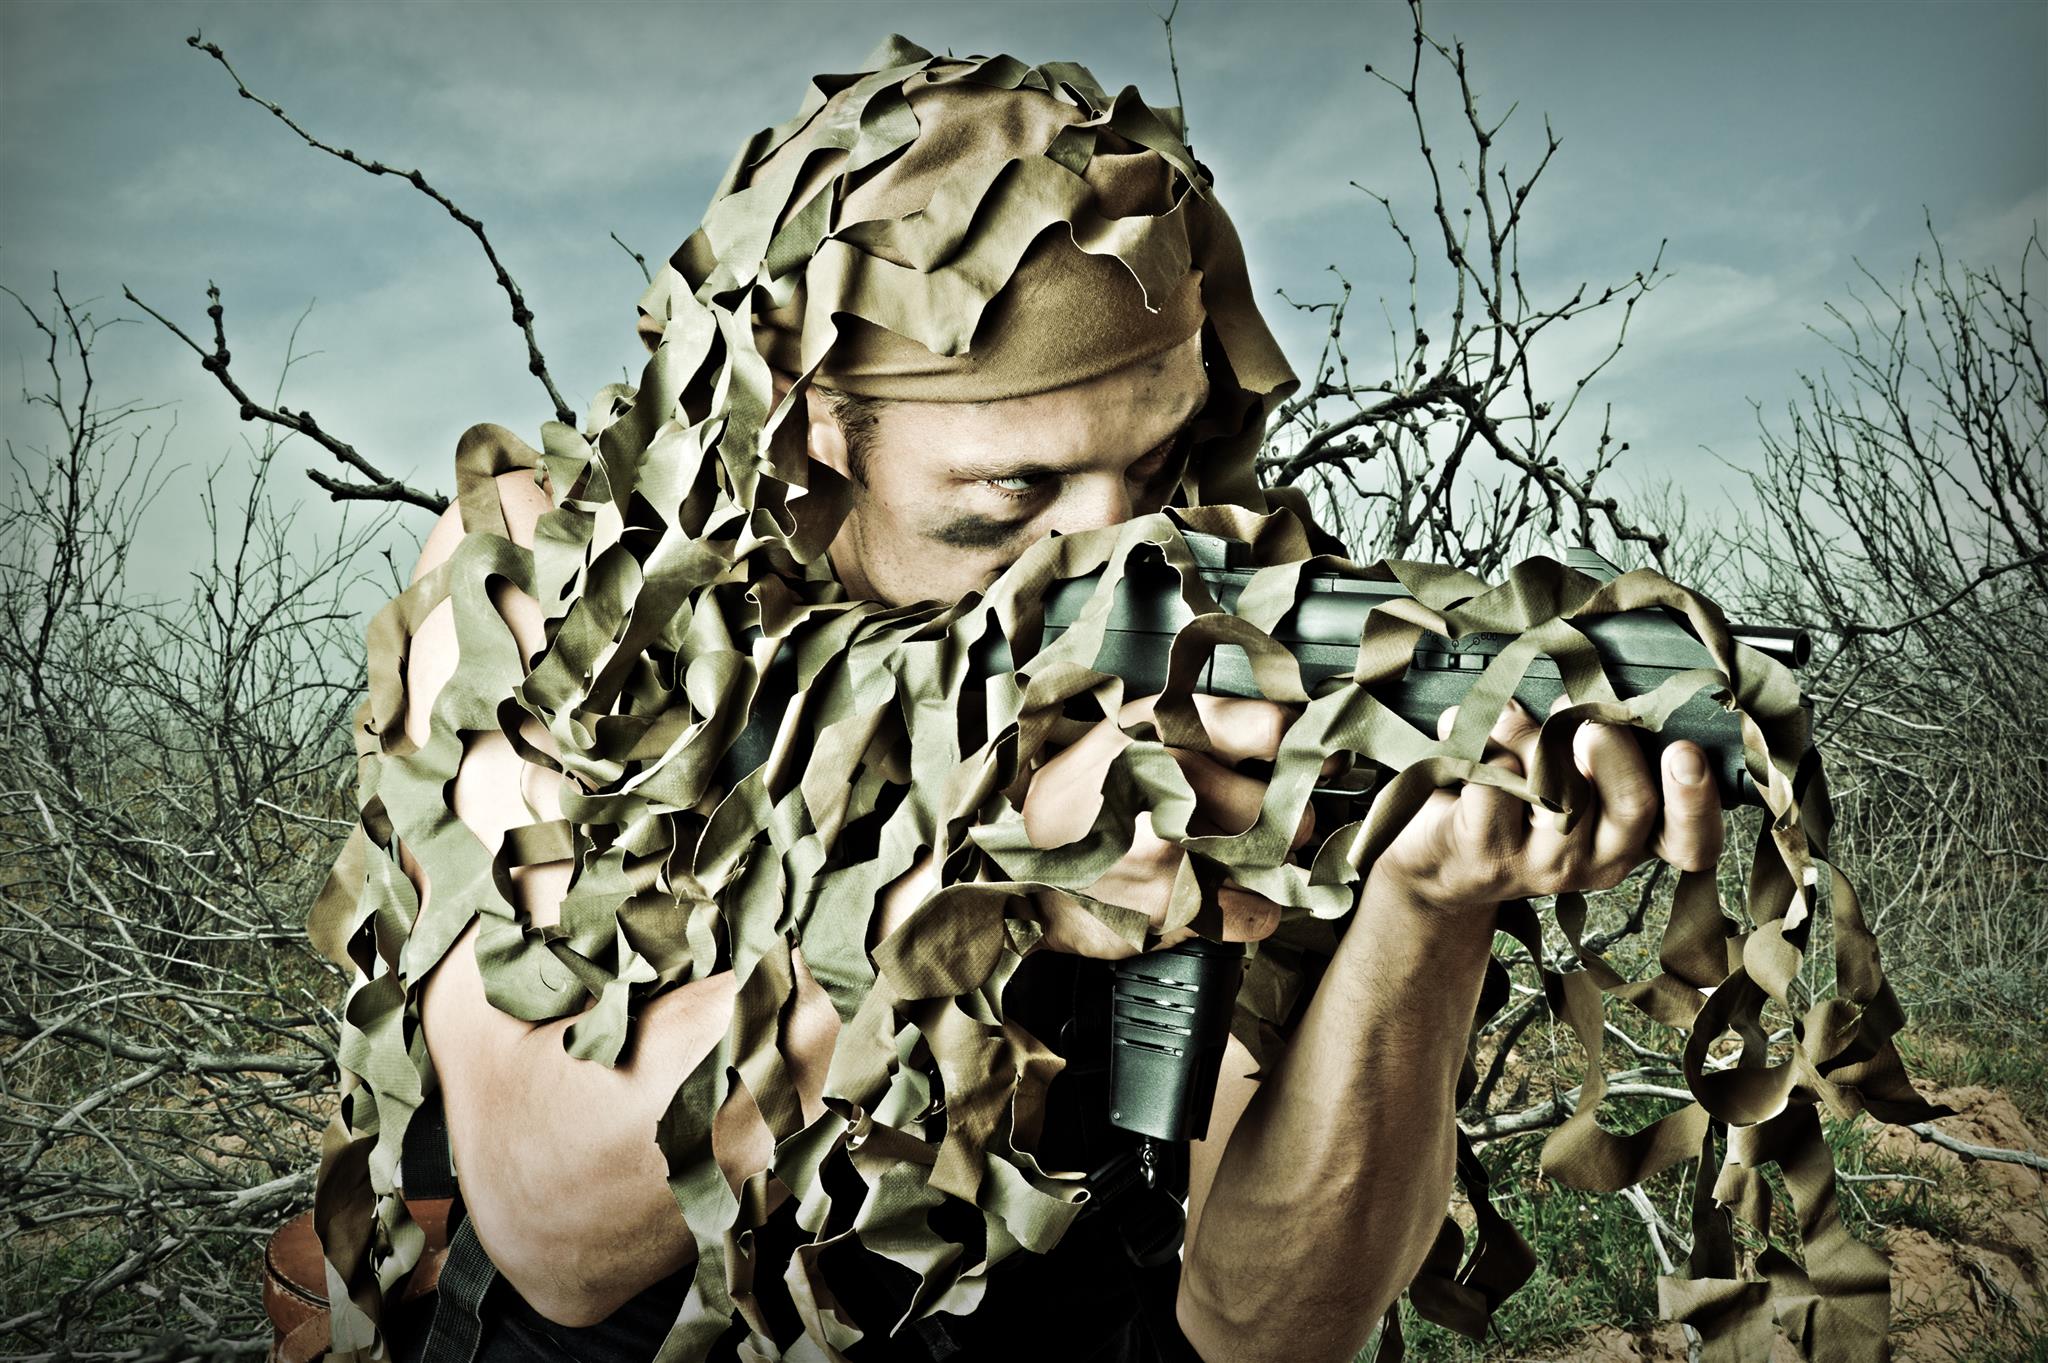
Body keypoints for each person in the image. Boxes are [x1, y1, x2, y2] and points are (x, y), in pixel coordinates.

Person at [310, 38, 1723, 1363]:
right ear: (816, 419)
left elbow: (1265, 1329)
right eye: (1014, 495)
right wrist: (997, 876)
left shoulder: (1244, 634)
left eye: (1151, 471)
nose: (1104, 563)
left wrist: (1428, 912)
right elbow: (552, 1222)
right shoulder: (567, 584)